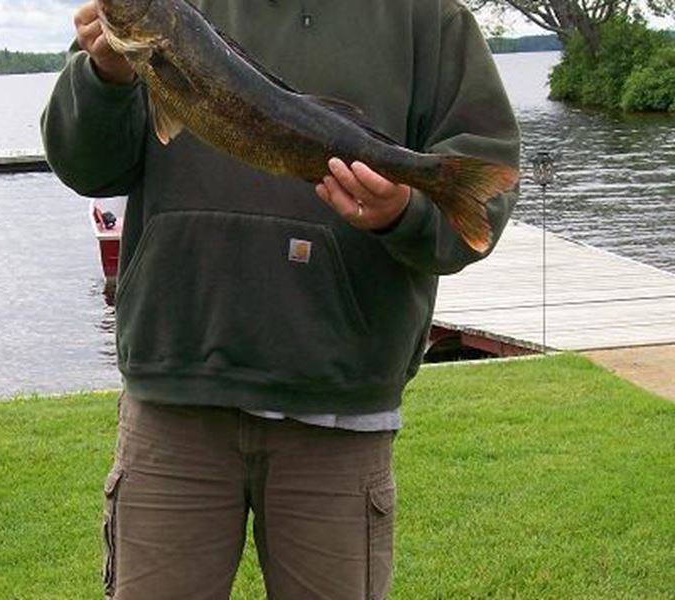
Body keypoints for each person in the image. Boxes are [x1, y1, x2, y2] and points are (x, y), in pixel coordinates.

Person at [41, 0, 520, 597]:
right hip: (175, 398)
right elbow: (84, 165)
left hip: (337, 405)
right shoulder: (156, 13)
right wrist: (103, 76)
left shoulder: (428, 17)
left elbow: (482, 201)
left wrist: (406, 211)